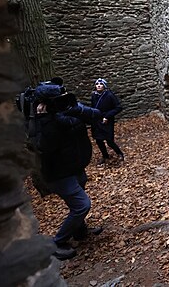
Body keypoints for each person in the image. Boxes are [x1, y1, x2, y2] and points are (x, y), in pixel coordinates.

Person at [34, 83, 104, 260]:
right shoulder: (40, 121)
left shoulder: (69, 108)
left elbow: (96, 115)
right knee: (82, 205)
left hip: (74, 166)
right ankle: (57, 242)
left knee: (77, 204)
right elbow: (45, 147)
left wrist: (76, 108)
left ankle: (80, 231)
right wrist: (44, 119)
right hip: (58, 173)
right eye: (57, 100)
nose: (62, 101)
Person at [90, 78, 124, 164]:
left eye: (101, 84)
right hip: (97, 120)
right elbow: (93, 108)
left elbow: (118, 107)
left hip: (107, 121)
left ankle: (120, 154)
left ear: (104, 86)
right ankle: (105, 156)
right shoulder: (94, 96)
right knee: (98, 140)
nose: (98, 86)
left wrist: (107, 116)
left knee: (109, 141)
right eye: (97, 84)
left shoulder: (109, 95)